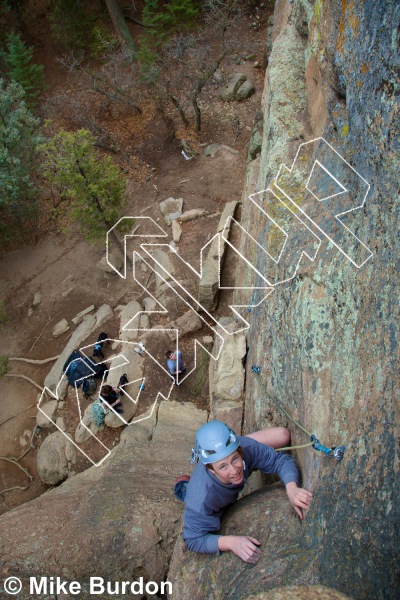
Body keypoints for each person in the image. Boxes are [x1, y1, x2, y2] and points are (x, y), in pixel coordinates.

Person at [181, 420, 312, 564]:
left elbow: (281, 461)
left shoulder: (245, 448)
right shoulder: (201, 498)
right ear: (211, 470)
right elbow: (192, 539)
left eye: (235, 458)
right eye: (223, 466)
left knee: (283, 435)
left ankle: (229, 454)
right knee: (188, 494)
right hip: (212, 497)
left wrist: (291, 488)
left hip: (243, 448)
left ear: (239, 449)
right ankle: (183, 485)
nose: (234, 470)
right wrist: (230, 542)